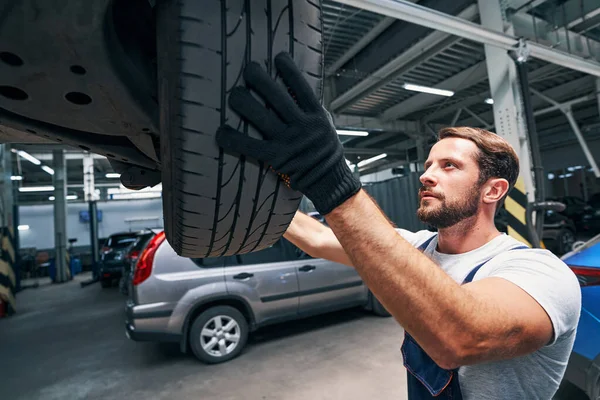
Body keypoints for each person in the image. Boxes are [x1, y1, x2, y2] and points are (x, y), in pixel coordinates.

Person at [215, 52, 582, 400]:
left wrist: (328, 178)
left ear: (493, 190)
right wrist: (245, 194)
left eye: (449, 166)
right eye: (428, 165)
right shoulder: (417, 248)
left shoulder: (540, 271)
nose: (426, 176)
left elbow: (460, 337)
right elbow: (317, 238)